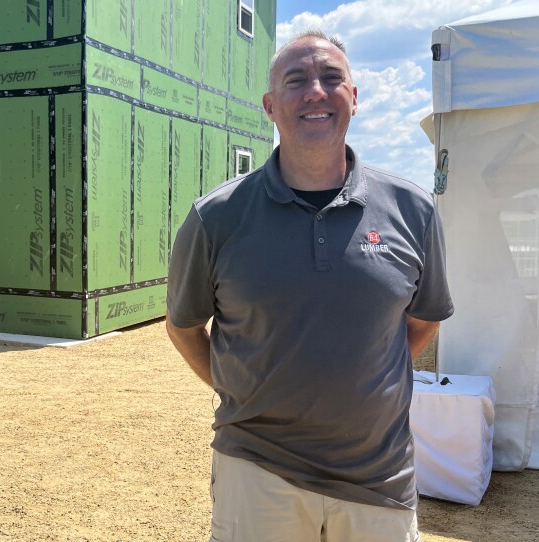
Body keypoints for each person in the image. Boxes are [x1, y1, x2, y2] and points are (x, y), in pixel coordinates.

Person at [165, 30, 453, 542]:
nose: (315, 91)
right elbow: (185, 327)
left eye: (332, 78)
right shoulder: (216, 218)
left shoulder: (413, 210)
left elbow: (423, 318)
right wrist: (243, 390)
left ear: (355, 98)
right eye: (296, 81)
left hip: (379, 479)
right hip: (256, 471)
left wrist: (364, 381)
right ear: (271, 106)